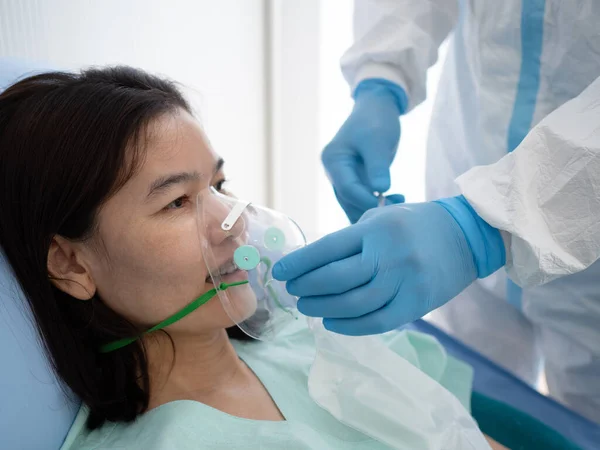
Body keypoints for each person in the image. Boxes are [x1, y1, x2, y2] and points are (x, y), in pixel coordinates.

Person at [0, 66, 508, 449]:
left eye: (219, 185)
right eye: (177, 202)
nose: (234, 221)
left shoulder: (311, 339)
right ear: (71, 264)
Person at [272, 0, 600, 424]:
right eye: (175, 201)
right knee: (474, 395)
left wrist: (478, 228)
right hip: (468, 150)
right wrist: (381, 78)